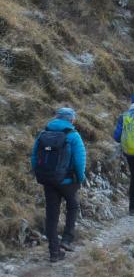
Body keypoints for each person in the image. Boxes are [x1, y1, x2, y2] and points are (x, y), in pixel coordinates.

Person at [31, 107, 86, 262]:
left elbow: (34, 157)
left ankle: (54, 252)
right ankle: (67, 239)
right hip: (68, 181)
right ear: (71, 119)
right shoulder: (73, 136)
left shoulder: (43, 134)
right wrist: (80, 178)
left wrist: (40, 173)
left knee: (52, 215)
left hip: (48, 181)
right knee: (73, 206)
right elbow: (80, 161)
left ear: (56, 118)